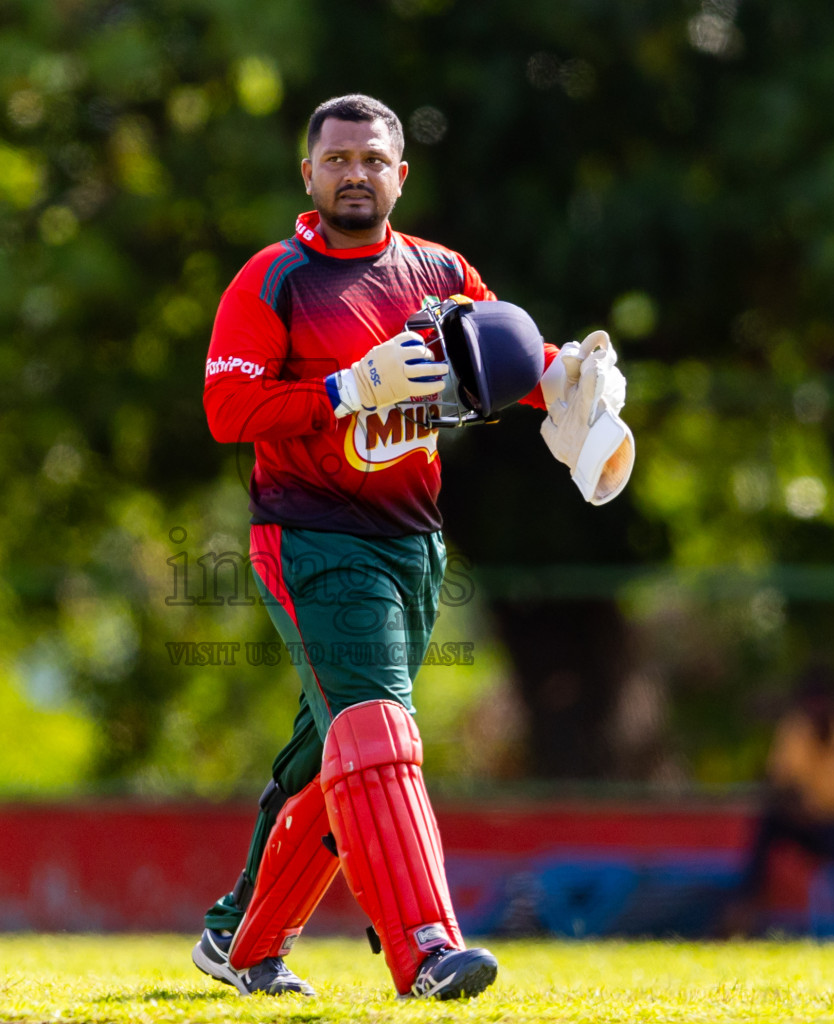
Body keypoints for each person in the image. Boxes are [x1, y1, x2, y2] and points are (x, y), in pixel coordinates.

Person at [192, 93, 631, 1000]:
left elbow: (497, 354)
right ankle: (426, 947)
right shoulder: (271, 278)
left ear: (401, 173)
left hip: (414, 544)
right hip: (312, 535)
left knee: (337, 750)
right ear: (308, 174)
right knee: (379, 734)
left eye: (373, 157)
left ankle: (242, 940)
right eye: (338, 157)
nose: (356, 172)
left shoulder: (440, 270)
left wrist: (563, 378)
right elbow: (228, 410)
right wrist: (345, 389)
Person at [735, 669, 834, 933]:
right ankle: (742, 912)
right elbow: (780, 786)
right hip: (810, 825)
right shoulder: (795, 732)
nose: (815, 710)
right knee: (768, 824)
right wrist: (796, 810)